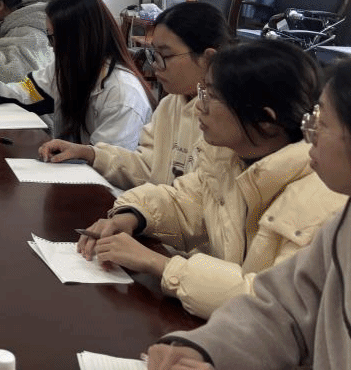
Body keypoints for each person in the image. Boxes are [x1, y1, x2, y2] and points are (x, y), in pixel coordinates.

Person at [76, 38, 344, 319]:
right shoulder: (229, 159)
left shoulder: (323, 201)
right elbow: (185, 203)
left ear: (265, 121)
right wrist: (132, 215)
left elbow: (271, 303)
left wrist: (161, 265)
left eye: (212, 96)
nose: (198, 107)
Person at [144, 59, 351, 370]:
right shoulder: (342, 227)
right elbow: (280, 309)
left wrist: (161, 265)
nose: (310, 134)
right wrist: (206, 348)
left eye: (321, 122)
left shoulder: (325, 204)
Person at [39, 1, 233, 186]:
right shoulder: (170, 104)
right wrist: (89, 153)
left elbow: (194, 197)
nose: (155, 65)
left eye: (165, 55)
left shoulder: (227, 122)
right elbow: (147, 167)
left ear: (207, 58)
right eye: (154, 54)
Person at [0, 0, 155, 149]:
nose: (51, 46)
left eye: (53, 37)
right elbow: (29, 91)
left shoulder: (123, 95)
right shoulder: (69, 69)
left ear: (80, 38)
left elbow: (107, 162)